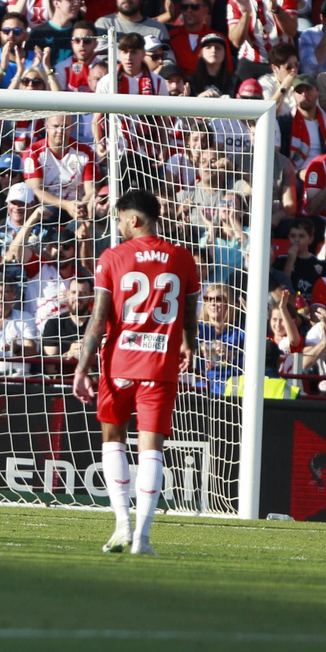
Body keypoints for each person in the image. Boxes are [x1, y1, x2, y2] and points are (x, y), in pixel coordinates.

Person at [72, 188, 201, 556]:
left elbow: (99, 321)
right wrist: (189, 343)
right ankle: (142, 539)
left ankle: (122, 528)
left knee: (113, 440)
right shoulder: (182, 258)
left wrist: (82, 368)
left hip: (118, 366)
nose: (118, 226)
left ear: (134, 219)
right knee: (151, 450)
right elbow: (190, 314)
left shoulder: (113, 256)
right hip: (160, 366)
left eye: (119, 219)